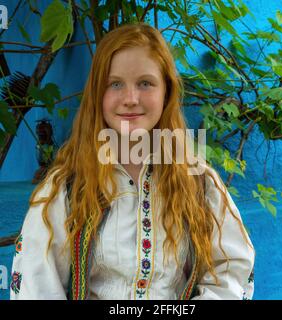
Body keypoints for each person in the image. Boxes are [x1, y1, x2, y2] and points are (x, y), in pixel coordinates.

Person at [10, 23, 255, 300]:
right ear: (97, 95)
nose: (130, 99)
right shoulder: (66, 186)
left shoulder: (198, 182)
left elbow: (233, 267)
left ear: (167, 92)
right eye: (115, 84)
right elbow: (35, 280)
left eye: (145, 83)